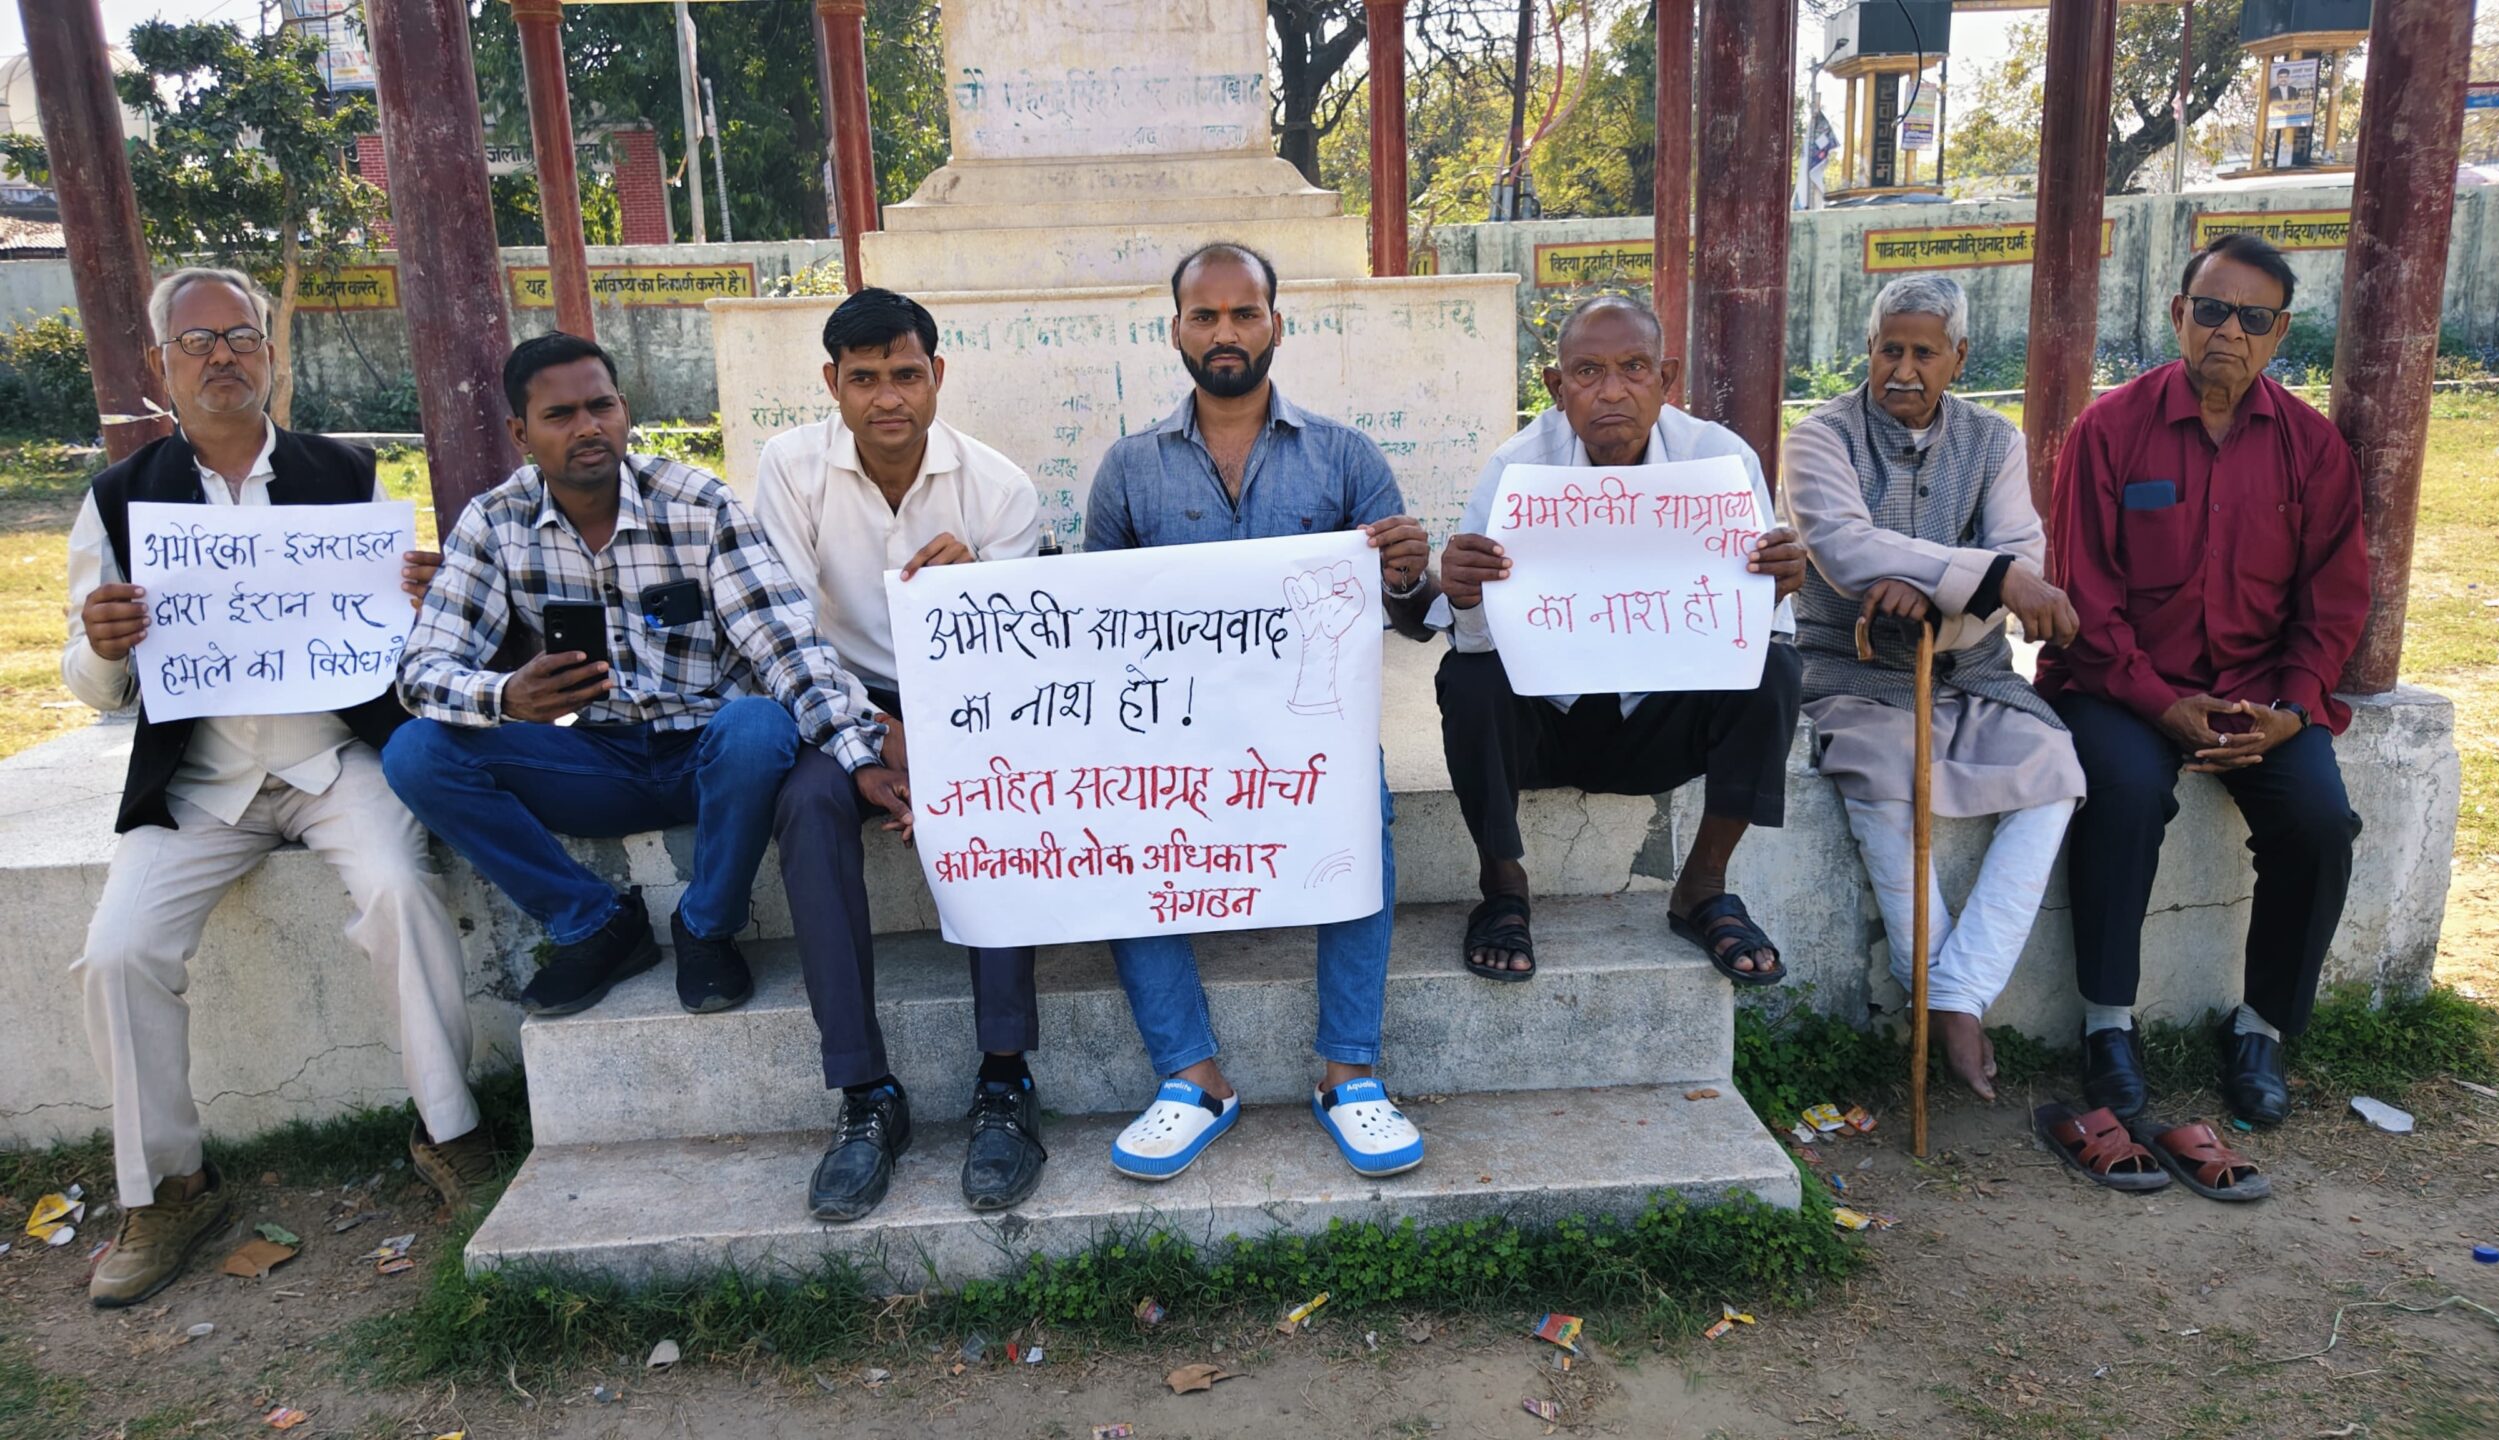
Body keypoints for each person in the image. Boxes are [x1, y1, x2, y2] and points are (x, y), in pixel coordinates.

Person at [65, 268, 489, 1307]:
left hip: (332, 760)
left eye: (241, 336)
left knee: (397, 888)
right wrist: (104, 643)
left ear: (271, 354)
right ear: (161, 366)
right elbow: (87, 683)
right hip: (203, 780)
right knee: (117, 953)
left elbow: (388, 628)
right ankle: (168, 1185)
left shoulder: (341, 474)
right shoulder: (121, 498)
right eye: (196, 340)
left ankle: (452, 1135)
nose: (222, 356)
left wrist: (417, 596)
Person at [386, 332, 889, 1029]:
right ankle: (591, 921)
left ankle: (706, 925)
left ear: (624, 409)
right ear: (520, 432)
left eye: (601, 406)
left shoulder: (696, 502)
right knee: (415, 752)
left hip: (707, 758)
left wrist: (859, 754)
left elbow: (784, 645)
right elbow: (421, 672)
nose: (588, 427)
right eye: (560, 415)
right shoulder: (496, 522)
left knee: (758, 724)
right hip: (590, 759)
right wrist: (508, 696)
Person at [1082, 241, 1435, 1182]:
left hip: (1309, 734)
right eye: (1206, 315)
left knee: (1363, 800)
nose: (1226, 332)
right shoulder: (1126, 468)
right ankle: (1192, 1079)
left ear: (1278, 324)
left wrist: (1406, 569)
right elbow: (1098, 632)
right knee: (1125, 823)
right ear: (1177, 333)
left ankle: (1349, 1075)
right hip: (1177, 741)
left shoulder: (1347, 455)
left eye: (1245, 313)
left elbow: (1406, 616)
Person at [2039, 233, 2370, 1127]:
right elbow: (2084, 596)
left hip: (2260, 695)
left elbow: (2333, 603)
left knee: (2318, 822)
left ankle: (2261, 1028)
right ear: (2179, 314)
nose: (2229, 331)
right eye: (2213, 309)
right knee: (2124, 792)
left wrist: (2293, 713)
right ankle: (2108, 1025)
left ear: (2278, 333)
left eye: (2252, 318)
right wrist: (2161, 704)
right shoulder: (2111, 431)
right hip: (2121, 684)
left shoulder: (2312, 448)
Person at [752, 288, 1046, 1221]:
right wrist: (878, 740)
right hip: (837, 702)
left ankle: (1005, 1079)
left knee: (995, 800)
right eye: (866, 379)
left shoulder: (997, 490)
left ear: (938, 377)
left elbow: (1026, 656)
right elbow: (783, 635)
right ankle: (864, 1093)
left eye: (907, 376)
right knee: (805, 807)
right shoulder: (790, 469)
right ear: (832, 384)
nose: (889, 399)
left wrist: (984, 594)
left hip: (970, 703)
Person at [1432, 295, 1809, 987]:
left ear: (1665, 379)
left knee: (1777, 670)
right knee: (1466, 677)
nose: (1612, 391)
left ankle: (1703, 886)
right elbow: (1477, 642)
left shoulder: (1718, 464)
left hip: (1662, 723)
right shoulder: (1517, 470)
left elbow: (1764, 632)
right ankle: (1503, 886)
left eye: (1634, 368)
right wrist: (1464, 592)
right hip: (1549, 724)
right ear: (1555, 387)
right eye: (1587, 372)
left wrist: (1776, 585)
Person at [1785, 274, 2085, 1101]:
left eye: (1924, 352)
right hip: (1853, 668)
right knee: (1882, 779)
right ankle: (1947, 999)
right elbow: (1845, 552)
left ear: (1959, 357)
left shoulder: (1994, 441)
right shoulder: (1820, 437)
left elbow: (2022, 557)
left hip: (1973, 666)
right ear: (1870, 352)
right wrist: (1983, 577)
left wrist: (1940, 599)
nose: (1904, 370)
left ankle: (1956, 988)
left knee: (2056, 772)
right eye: (1890, 349)